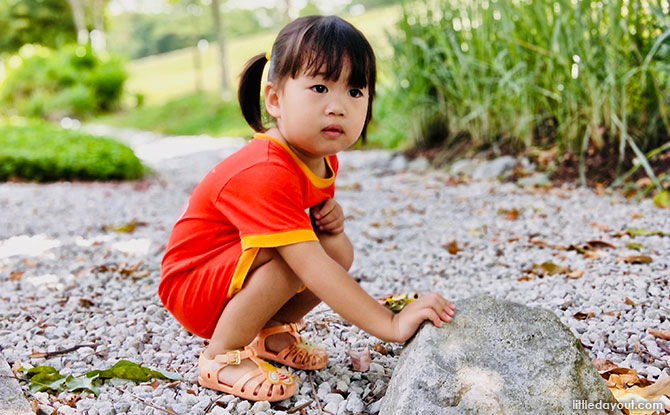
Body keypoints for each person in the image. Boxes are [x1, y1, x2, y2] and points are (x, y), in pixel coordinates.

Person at [158, 15, 456, 402]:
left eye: (355, 91)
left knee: (337, 246)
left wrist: (330, 217)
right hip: (194, 284)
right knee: (299, 258)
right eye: (319, 87)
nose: (337, 107)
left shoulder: (321, 157)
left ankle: (272, 330)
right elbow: (309, 264)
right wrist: (390, 323)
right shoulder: (266, 167)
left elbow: (312, 237)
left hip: (233, 272)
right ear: (275, 99)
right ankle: (221, 357)